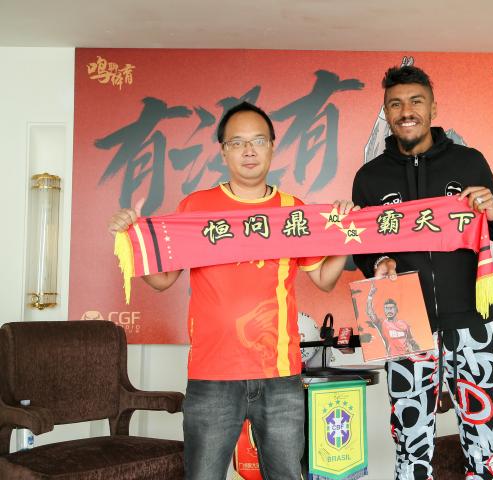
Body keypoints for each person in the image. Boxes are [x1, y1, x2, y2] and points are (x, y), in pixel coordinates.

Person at [108, 101, 356, 480]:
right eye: (237, 143)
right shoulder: (197, 207)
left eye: (258, 141)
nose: (249, 151)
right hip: (212, 375)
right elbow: (162, 280)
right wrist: (132, 241)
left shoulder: (292, 210)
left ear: (272, 147)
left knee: (286, 475)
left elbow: (323, 279)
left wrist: (345, 233)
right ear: (223, 152)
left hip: (279, 374)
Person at [352, 65, 493, 480]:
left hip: (473, 321)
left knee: (485, 438)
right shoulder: (370, 178)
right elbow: (361, 249)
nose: (406, 111)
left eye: (416, 101)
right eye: (395, 104)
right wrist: (378, 262)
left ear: (432, 108)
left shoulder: (469, 161)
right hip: (403, 324)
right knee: (411, 442)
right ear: (387, 113)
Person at [366, 280, 420, 356]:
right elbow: (370, 313)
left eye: (391, 308)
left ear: (396, 309)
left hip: (407, 356)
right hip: (392, 357)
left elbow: (411, 340)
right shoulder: (381, 323)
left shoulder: (404, 324)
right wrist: (370, 296)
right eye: (386, 308)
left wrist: (417, 349)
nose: (389, 310)